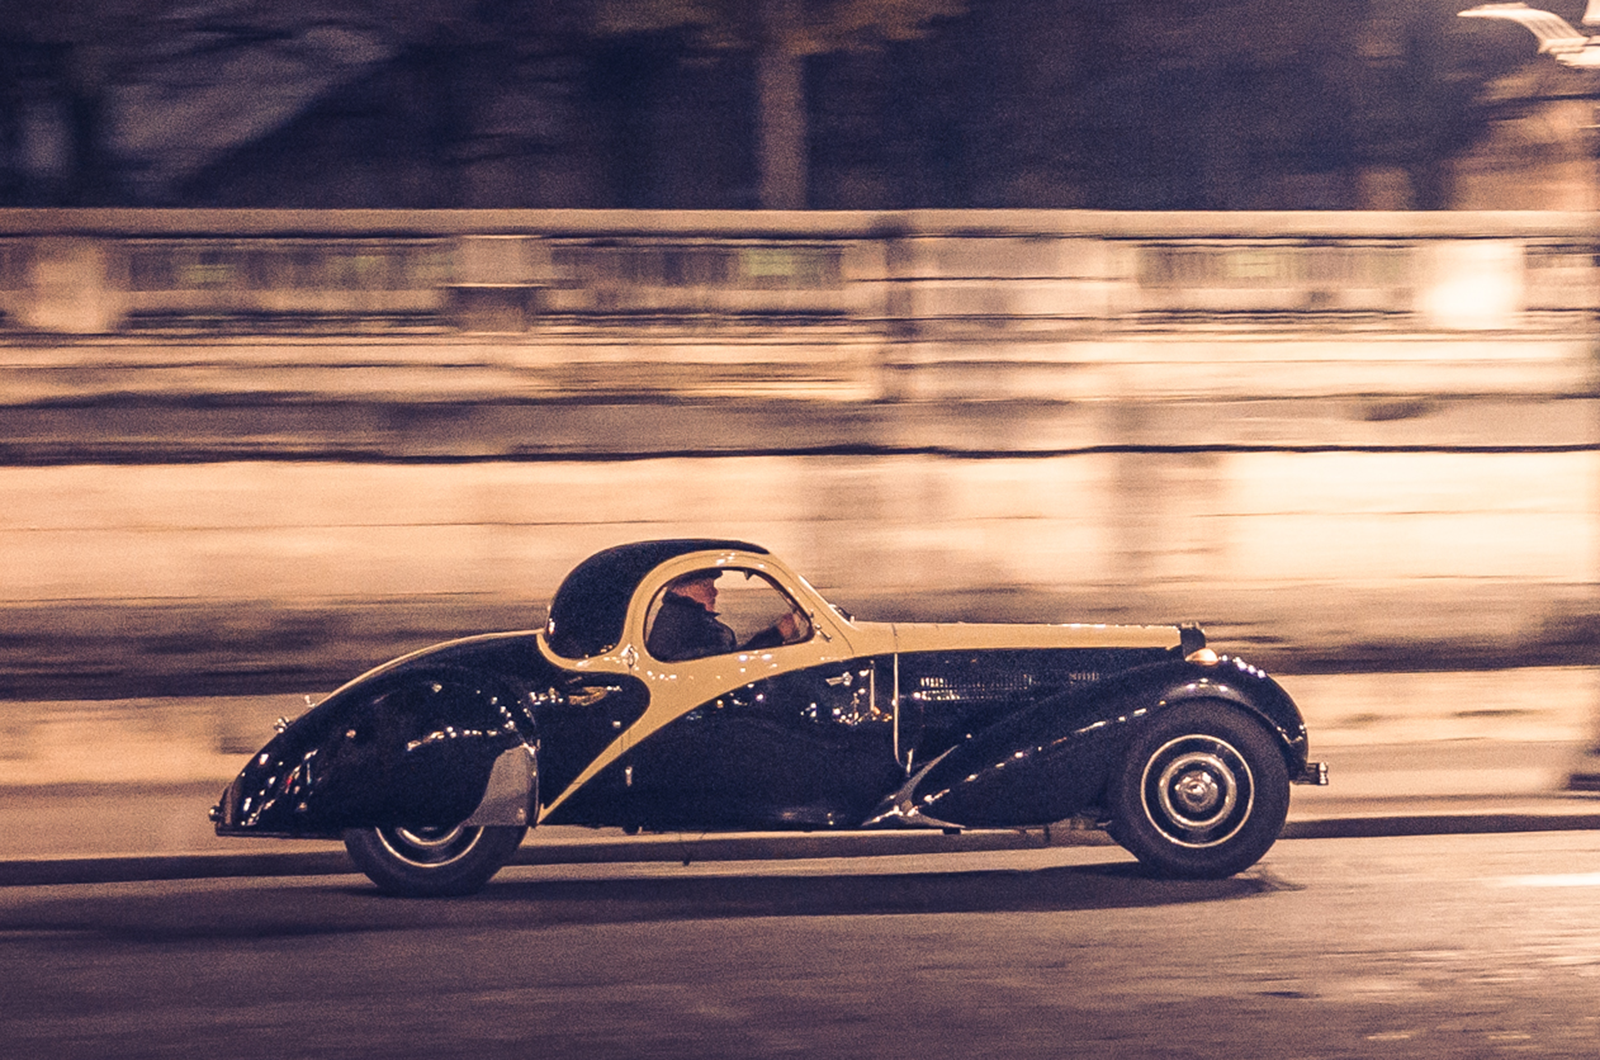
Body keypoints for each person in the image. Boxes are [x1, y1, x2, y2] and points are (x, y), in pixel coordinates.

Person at [646, 572, 737, 662]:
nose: (714, 592)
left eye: (712, 585)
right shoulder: (677, 618)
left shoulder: (687, 614)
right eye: (705, 585)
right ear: (680, 590)